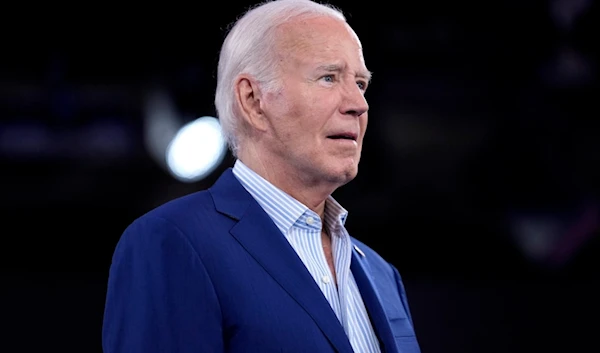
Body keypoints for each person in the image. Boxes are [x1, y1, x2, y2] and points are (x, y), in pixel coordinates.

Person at [102, 0, 421, 352]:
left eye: (360, 84)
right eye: (328, 77)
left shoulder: (381, 273)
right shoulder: (173, 241)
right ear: (253, 100)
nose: (359, 105)